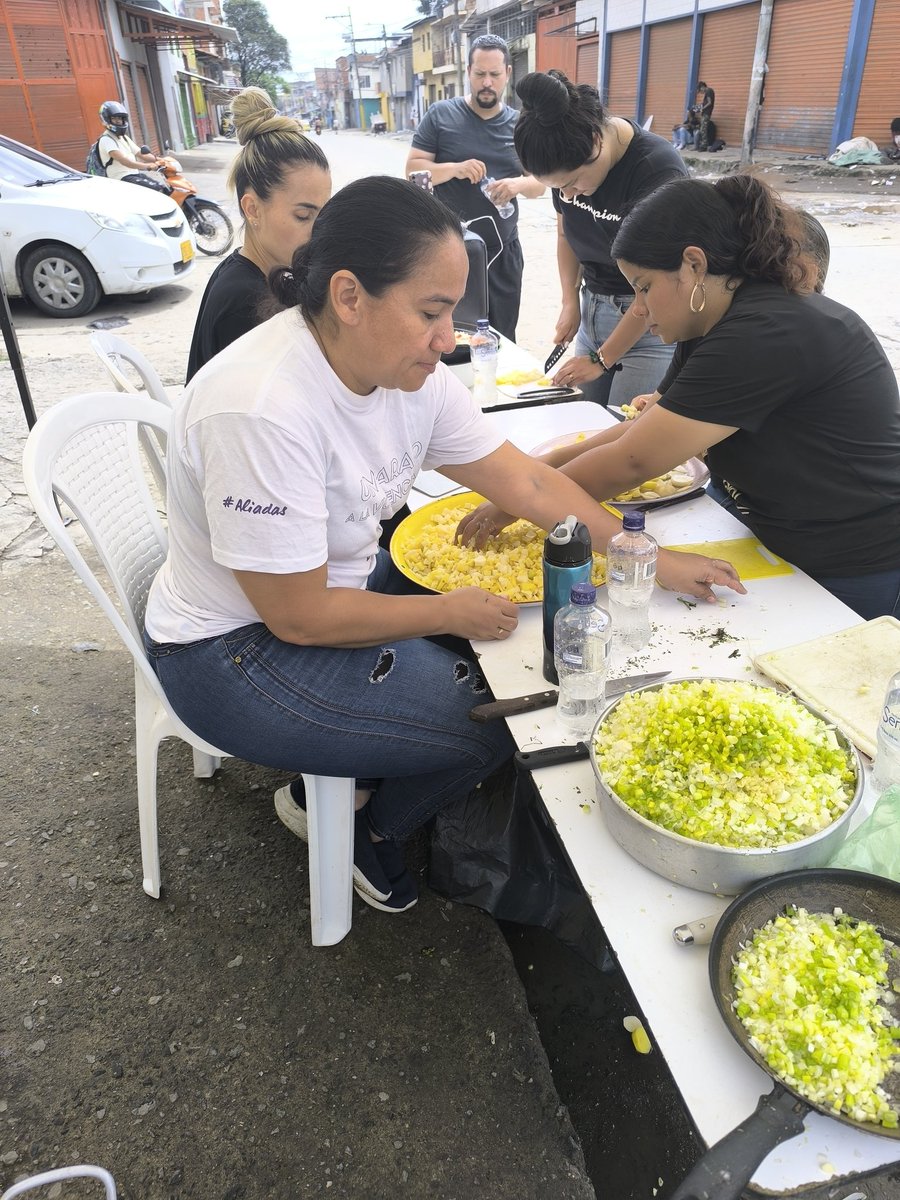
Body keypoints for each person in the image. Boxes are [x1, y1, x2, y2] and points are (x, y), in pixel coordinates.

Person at [144, 177, 744, 916]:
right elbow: (297, 619)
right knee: (505, 723)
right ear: (349, 295)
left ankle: (339, 772)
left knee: (504, 667)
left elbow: (524, 483)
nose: (448, 337)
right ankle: (372, 832)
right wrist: (447, 612)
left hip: (327, 599)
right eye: (431, 312)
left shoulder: (409, 374)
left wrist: (640, 555)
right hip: (232, 654)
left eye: (452, 313)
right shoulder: (264, 407)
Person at [464, 175, 900, 620]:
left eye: (644, 286)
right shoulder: (715, 320)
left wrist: (522, 500)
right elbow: (637, 431)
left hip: (849, 560)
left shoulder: (763, 331)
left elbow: (633, 462)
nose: (636, 309)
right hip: (770, 526)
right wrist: (529, 478)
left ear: (694, 265)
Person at [511, 69, 687, 407]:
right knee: (582, 424)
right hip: (593, 310)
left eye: (573, 182)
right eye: (557, 188)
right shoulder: (565, 162)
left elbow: (654, 289)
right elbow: (566, 232)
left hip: (648, 326)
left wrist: (602, 360)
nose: (568, 194)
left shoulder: (657, 173)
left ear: (595, 141)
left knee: (624, 437)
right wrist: (569, 300)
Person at [405, 34, 545, 342]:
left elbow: (539, 185)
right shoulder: (441, 115)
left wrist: (517, 183)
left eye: (495, 75)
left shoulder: (520, 124)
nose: (487, 83)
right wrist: (454, 168)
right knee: (450, 339)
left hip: (503, 253)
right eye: (480, 74)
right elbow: (413, 172)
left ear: (508, 73)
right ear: (468, 72)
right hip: (449, 250)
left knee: (503, 340)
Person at [185, 87, 331, 383]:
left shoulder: (254, 270)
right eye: (303, 216)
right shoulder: (245, 302)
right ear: (252, 209)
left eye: (324, 214)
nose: (319, 232)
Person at [96, 100, 169, 193]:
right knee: (157, 190)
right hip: (121, 179)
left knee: (163, 188)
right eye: (115, 118)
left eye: (121, 118)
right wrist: (148, 166)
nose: (119, 121)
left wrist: (160, 160)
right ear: (106, 120)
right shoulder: (106, 140)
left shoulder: (124, 138)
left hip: (134, 174)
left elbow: (141, 154)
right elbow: (126, 162)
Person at [695, 82, 715, 152]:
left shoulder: (709, 91)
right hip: (705, 113)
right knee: (702, 129)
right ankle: (703, 145)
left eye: (700, 90)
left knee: (703, 130)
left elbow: (710, 103)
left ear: (702, 87)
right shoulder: (708, 92)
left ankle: (704, 146)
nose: (701, 92)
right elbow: (706, 102)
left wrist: (702, 108)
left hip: (706, 113)